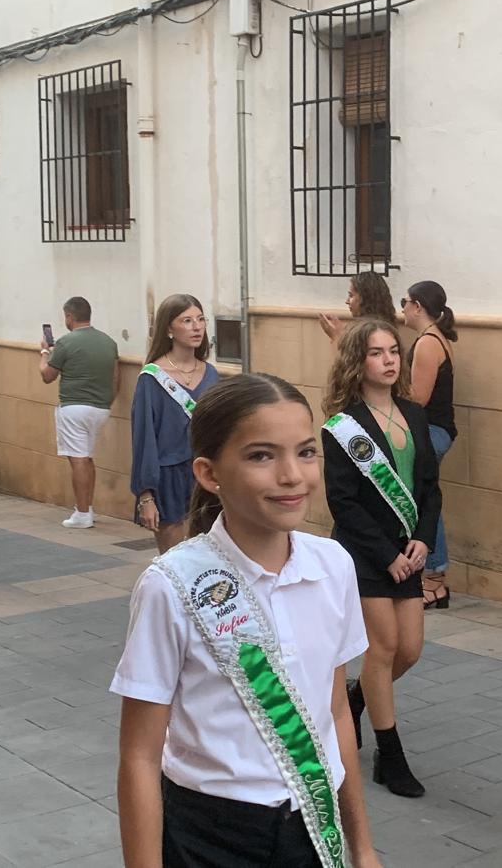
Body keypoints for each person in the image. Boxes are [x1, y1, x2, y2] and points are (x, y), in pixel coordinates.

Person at [113, 373, 382, 868]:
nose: (292, 476)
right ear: (209, 473)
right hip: (208, 835)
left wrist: (361, 847)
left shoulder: (334, 566)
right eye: (261, 455)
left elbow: (335, 712)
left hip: (311, 829)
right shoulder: (171, 585)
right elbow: (139, 756)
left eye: (305, 452)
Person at [322, 319, 442, 799]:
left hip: (408, 552)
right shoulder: (342, 427)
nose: (390, 360)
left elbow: (429, 487)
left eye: (395, 351)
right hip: (366, 552)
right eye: (378, 353)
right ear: (358, 361)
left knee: (409, 650)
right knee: (384, 647)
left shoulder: (414, 415)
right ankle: (389, 755)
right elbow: (343, 501)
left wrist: (422, 540)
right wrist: (385, 552)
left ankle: (356, 697)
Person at [131, 293, 220, 553]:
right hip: (169, 477)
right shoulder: (152, 378)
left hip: (206, 476)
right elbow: (144, 437)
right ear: (169, 328)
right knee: (175, 561)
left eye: (201, 319)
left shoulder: (212, 374)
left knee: (210, 559)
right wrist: (146, 495)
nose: (197, 327)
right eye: (187, 320)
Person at [399, 281, 458, 609]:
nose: (402, 308)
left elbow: (418, 398)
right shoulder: (436, 338)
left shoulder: (428, 343)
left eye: (405, 302)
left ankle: (434, 579)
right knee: (424, 501)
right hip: (435, 431)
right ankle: (433, 579)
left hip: (431, 432)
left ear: (418, 306)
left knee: (424, 504)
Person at [40, 296, 120, 529]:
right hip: (101, 408)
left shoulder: (65, 343)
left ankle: (82, 513)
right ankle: (88, 508)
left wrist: (44, 353)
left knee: (78, 460)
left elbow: (47, 376)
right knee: (86, 457)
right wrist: (107, 401)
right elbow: (117, 378)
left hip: (74, 407)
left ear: (69, 317)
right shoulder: (109, 342)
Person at [319, 271, 398, 342]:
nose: (347, 301)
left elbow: (349, 357)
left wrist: (336, 336)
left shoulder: (372, 332)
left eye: (351, 295)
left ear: (365, 298)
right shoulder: (384, 327)